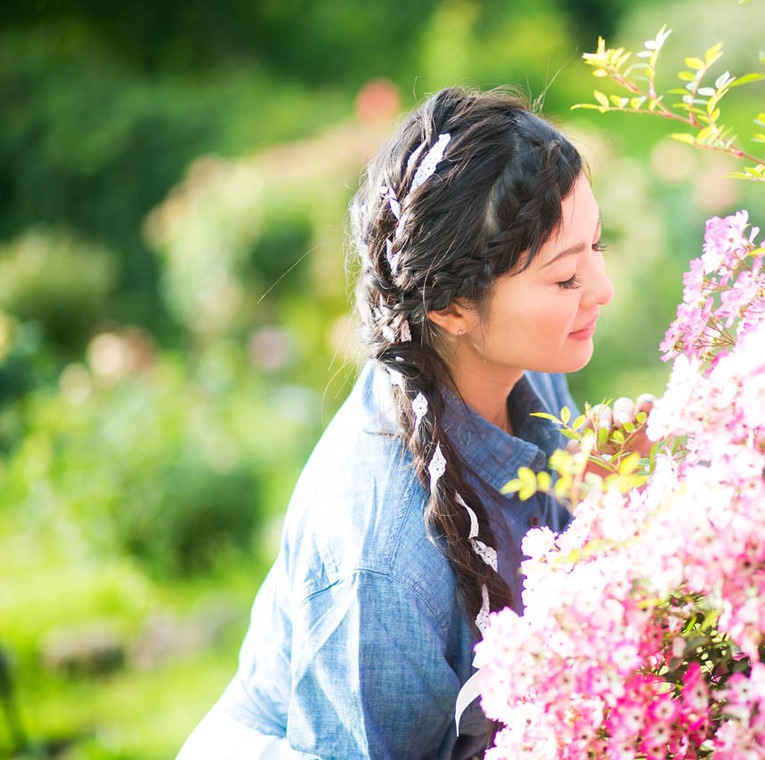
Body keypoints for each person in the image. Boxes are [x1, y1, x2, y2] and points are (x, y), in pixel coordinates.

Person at [178, 87, 631, 758]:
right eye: (565, 278)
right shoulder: (381, 558)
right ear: (450, 307)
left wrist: (616, 501)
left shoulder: (524, 370)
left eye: (596, 245)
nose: (602, 287)